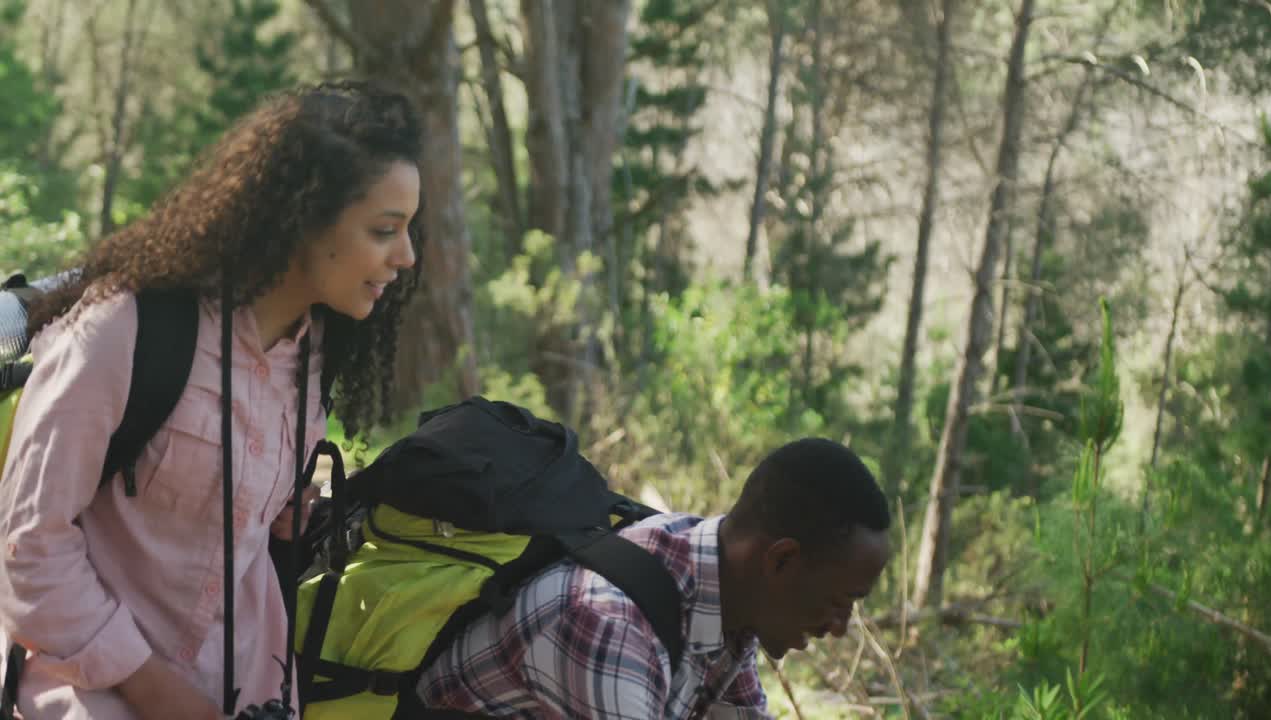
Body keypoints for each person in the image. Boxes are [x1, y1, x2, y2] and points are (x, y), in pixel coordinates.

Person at [0, 81, 423, 720]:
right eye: (385, 229)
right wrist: (165, 699)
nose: (406, 255)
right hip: (87, 690)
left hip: (250, 691)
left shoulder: (313, 358)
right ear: (302, 218)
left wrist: (279, 511)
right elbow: (28, 546)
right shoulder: (122, 330)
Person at [419, 437, 893, 719]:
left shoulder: (721, 590)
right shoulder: (609, 624)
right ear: (781, 562)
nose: (840, 625)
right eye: (840, 600)